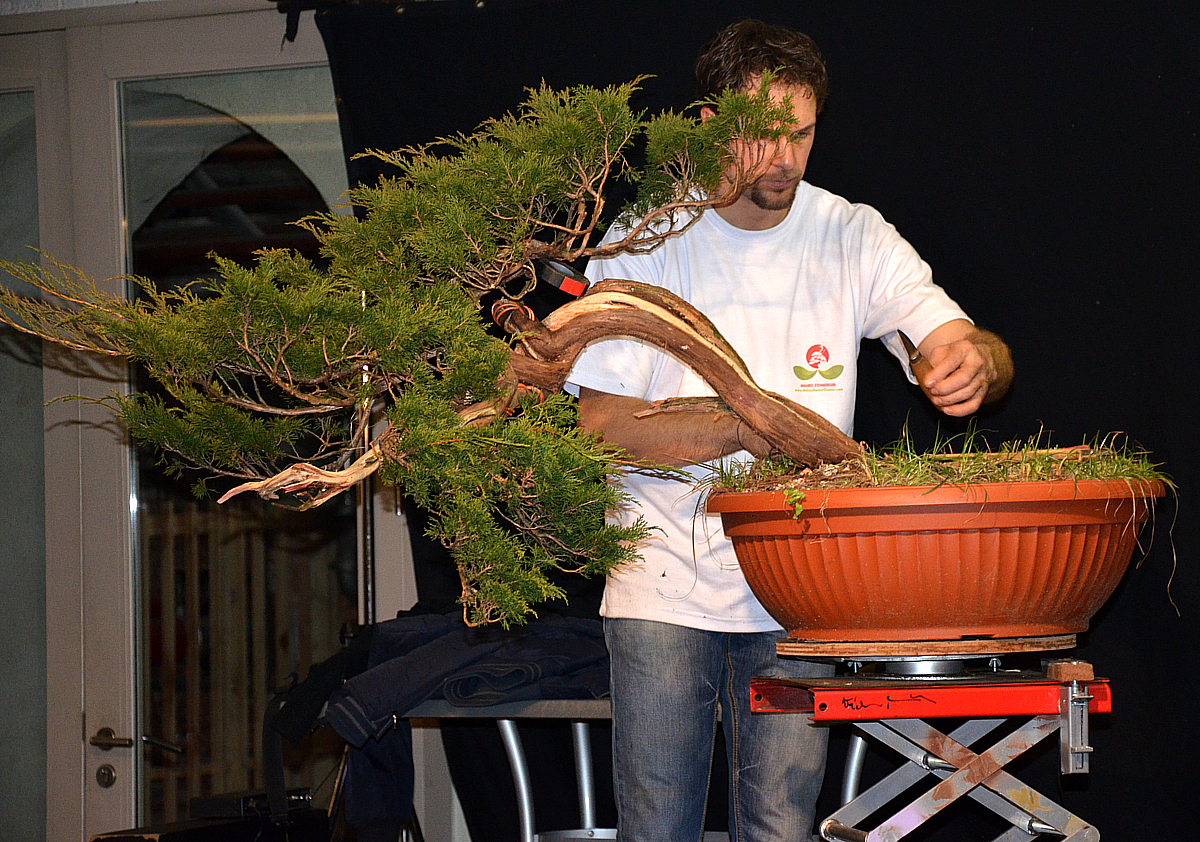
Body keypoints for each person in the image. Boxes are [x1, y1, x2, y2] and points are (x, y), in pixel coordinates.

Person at [565, 18, 1014, 842]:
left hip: (800, 588)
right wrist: (748, 423)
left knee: (780, 825)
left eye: (801, 135)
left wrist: (974, 365)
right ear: (707, 127)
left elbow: (958, 339)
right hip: (661, 581)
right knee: (657, 823)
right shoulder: (643, 244)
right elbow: (604, 428)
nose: (783, 159)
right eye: (761, 136)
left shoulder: (851, 235)